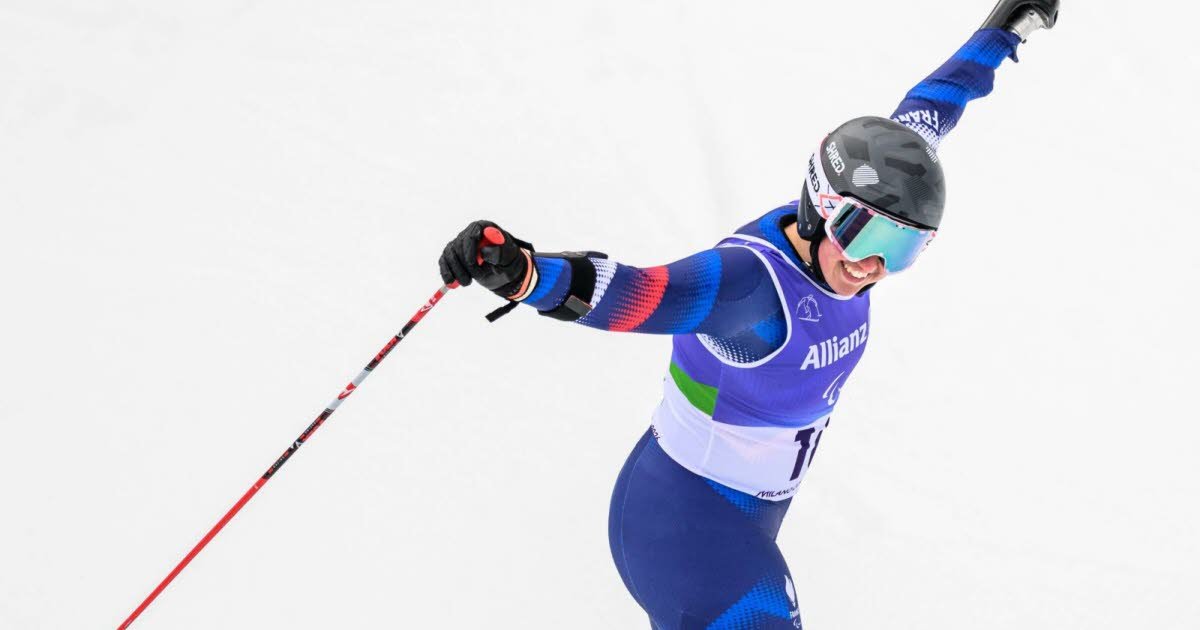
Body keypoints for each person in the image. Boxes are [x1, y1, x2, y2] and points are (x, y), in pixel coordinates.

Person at [437, 2, 1059, 627]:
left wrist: (1003, 32)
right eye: (863, 235)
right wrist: (524, 274)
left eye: (901, 248)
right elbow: (643, 294)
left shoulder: (851, 227)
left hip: (733, 519)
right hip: (684, 525)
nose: (872, 265)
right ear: (820, 202)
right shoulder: (751, 288)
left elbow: (933, 106)